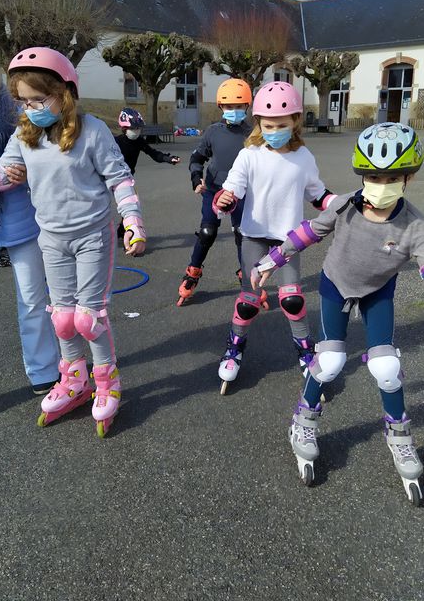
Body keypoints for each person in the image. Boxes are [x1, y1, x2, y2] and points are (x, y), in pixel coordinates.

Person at [252, 122, 424, 505]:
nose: (381, 184)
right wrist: (271, 260)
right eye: (373, 176)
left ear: (408, 177)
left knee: (387, 367)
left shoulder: (414, 226)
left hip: (378, 292)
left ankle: (399, 437)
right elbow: (309, 231)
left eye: (392, 176)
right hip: (335, 285)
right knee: (328, 361)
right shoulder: (346, 206)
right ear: (362, 174)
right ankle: (303, 422)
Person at [0, 47, 146, 437]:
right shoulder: (23, 135)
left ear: (64, 93)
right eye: (23, 101)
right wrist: (3, 174)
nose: (30, 108)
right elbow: (5, 172)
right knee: (62, 319)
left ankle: (107, 380)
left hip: (92, 236)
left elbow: (119, 178)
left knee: (88, 318)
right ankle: (74, 379)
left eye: (38, 99)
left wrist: (131, 219)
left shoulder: (92, 130)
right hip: (52, 239)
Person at [214, 81, 335, 394]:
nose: (275, 130)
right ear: (259, 123)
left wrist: (341, 204)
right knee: (249, 301)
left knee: (293, 299)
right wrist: (225, 199)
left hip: (288, 241)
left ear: (295, 121)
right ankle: (234, 349)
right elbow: (232, 189)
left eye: (282, 124)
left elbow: (317, 194)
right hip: (254, 236)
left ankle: (306, 353)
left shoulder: (303, 157)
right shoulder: (249, 155)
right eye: (268, 125)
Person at [0, 60, 59, 394]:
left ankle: (44, 371)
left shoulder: (17, 114)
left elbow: (18, 162)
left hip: (21, 220)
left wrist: (16, 173)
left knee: (33, 299)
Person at [177, 78, 252, 306]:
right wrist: (195, 177)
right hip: (214, 188)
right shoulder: (213, 131)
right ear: (221, 107)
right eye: (229, 107)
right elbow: (198, 157)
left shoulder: (254, 134)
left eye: (239, 107)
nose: (234, 111)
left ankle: (248, 282)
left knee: (242, 235)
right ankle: (192, 273)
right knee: (208, 232)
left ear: (247, 106)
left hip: (241, 192)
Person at [115, 107, 180, 239]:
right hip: (111, 178)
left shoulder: (139, 141)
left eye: (138, 128)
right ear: (124, 128)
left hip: (127, 179)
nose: (136, 131)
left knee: (132, 206)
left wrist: (169, 159)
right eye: (133, 129)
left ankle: (124, 230)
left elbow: (153, 154)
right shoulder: (115, 142)